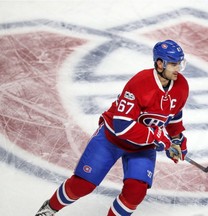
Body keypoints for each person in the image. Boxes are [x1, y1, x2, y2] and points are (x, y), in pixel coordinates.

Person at [35, 39, 189, 216]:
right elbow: (122, 126)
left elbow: (174, 113)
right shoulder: (140, 83)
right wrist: (155, 136)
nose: (178, 69)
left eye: (180, 63)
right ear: (160, 63)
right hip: (111, 139)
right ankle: (49, 208)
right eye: (174, 64)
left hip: (142, 147)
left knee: (135, 193)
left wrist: (177, 139)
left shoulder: (181, 86)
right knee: (83, 185)